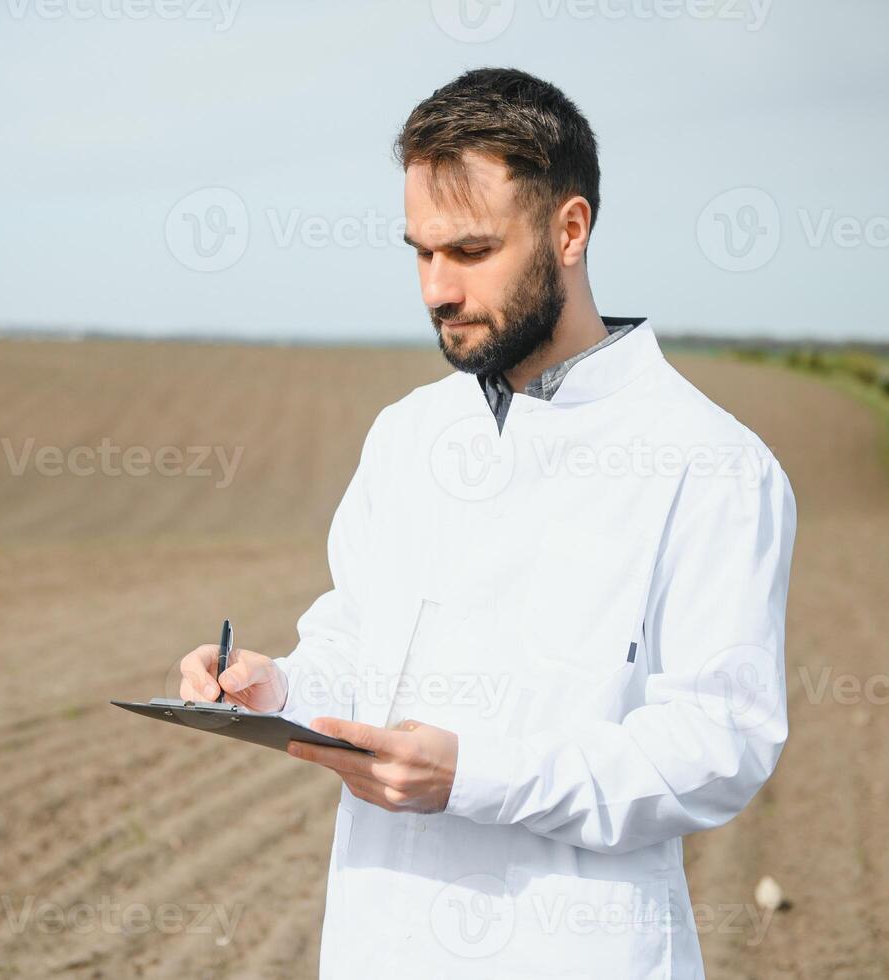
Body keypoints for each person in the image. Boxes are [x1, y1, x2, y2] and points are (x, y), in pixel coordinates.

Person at [176, 67, 796, 979]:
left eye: (468, 252)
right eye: (420, 252)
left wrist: (475, 777)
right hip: (378, 942)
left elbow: (717, 748)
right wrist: (275, 689)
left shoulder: (711, 463)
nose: (435, 288)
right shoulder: (406, 434)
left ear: (569, 229)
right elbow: (359, 647)